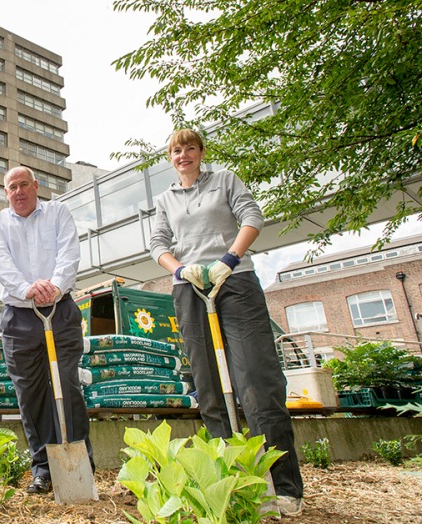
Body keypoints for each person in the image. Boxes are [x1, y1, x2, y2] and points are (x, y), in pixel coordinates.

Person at [149, 129, 304, 516]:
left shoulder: (225, 180)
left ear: (201, 152)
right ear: (170, 158)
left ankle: (283, 486)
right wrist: (181, 270)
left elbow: (253, 216)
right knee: (208, 384)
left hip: (234, 281)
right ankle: (228, 482)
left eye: (189, 148)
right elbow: (157, 244)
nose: (182, 155)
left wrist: (229, 260)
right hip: (191, 288)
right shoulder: (165, 198)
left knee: (257, 380)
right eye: (175, 150)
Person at [0, 166, 92, 495]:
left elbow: (69, 253)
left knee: (67, 385)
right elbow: (1, 262)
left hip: (59, 311)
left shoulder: (58, 212)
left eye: (23, 185)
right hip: (19, 317)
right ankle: (43, 468)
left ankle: (81, 463)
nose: (18, 191)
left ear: (36, 185)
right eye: (11, 187)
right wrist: (27, 288)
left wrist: (54, 287)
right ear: (6, 193)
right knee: (30, 395)